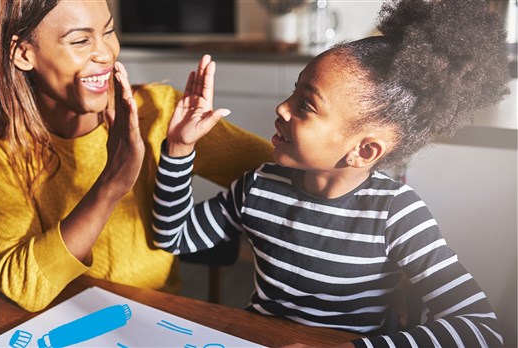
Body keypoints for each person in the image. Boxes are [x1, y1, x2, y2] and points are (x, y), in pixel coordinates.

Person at [151, 0, 510, 346]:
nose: (282, 108)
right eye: (294, 91)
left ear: (364, 151)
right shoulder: (260, 185)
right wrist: (180, 149)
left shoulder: (395, 214)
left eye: (306, 104)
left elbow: (480, 329)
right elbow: (174, 237)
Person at [0, 0, 273, 312]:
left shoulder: (160, 112)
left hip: (154, 312)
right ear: (22, 53)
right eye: (80, 40)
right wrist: (110, 186)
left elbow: (287, 173)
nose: (106, 54)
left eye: (108, 31)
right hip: (60, 314)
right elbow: (23, 286)